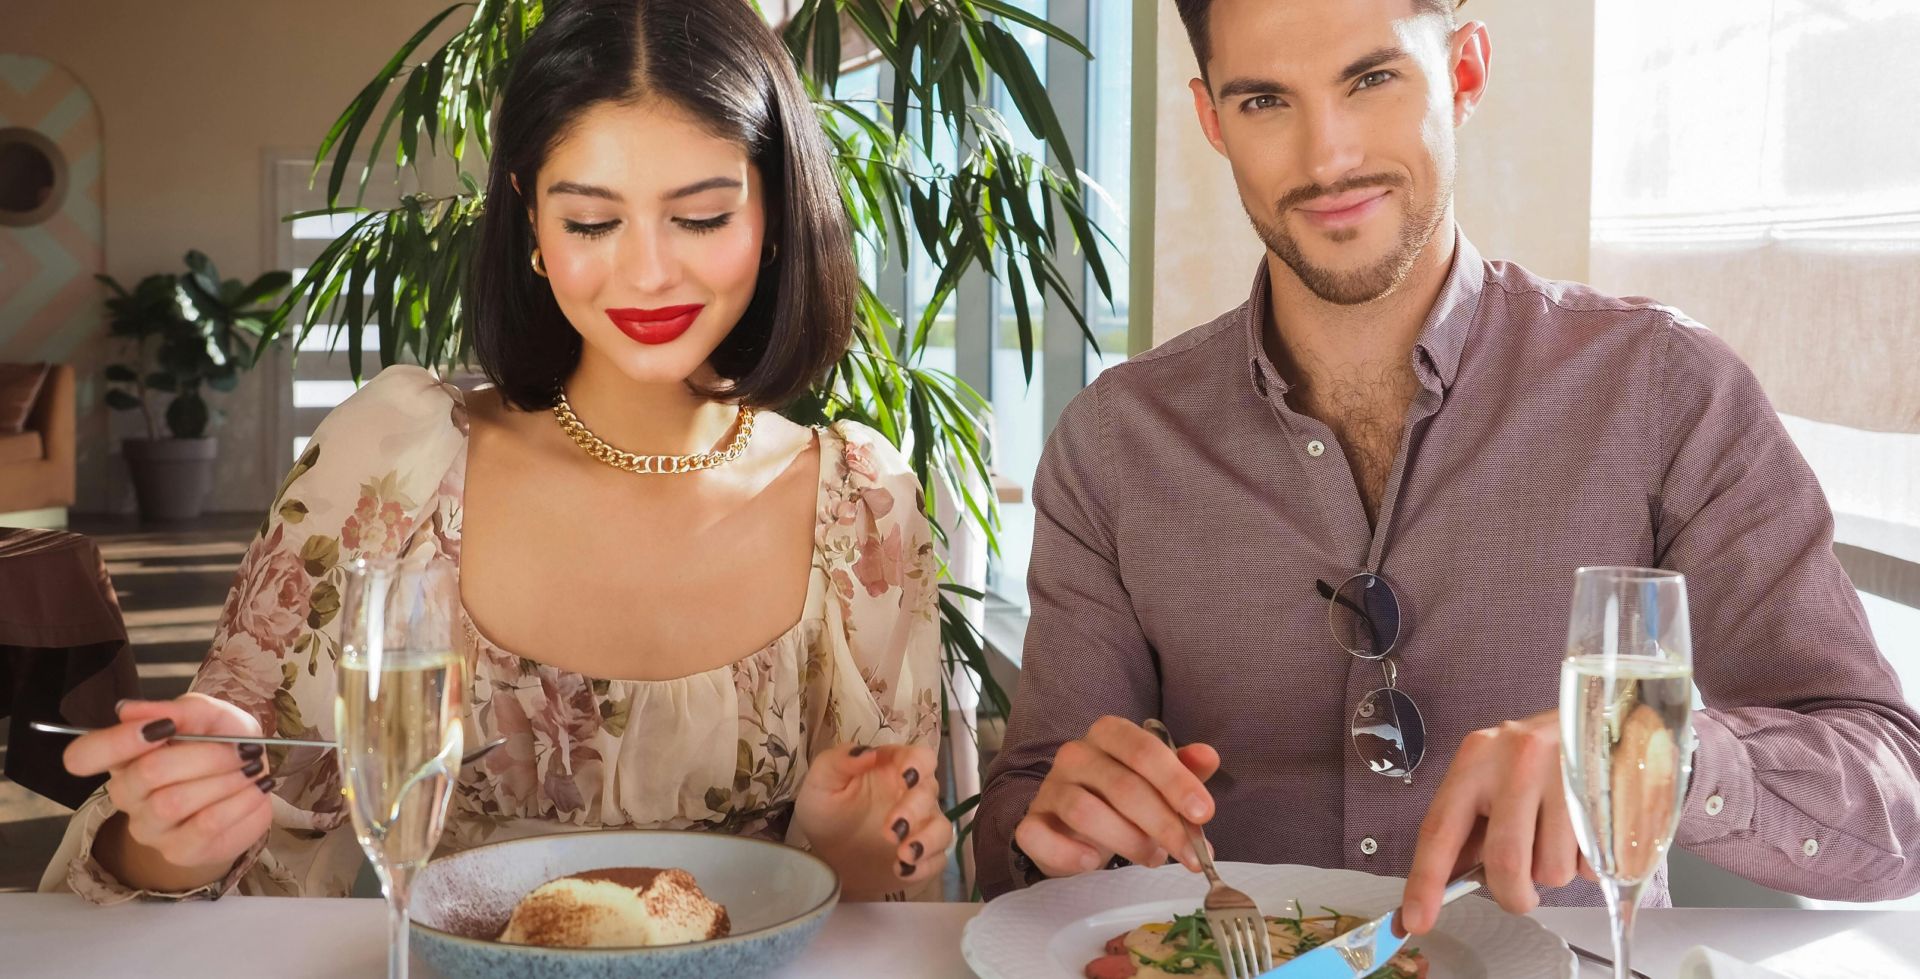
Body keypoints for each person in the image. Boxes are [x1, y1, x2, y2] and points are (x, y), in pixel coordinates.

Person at [975, 0, 1920, 933]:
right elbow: (1020, 838)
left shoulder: (1669, 390)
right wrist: (1054, 835)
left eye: (1373, 78)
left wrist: (1650, 748)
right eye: (1267, 101)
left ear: (1464, 71)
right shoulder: (1112, 442)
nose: (1327, 157)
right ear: (1212, 120)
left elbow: (1896, 796)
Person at [43, 0, 949, 904]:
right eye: (593, 222)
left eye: (703, 217)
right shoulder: (397, 461)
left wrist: (843, 850)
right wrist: (171, 835)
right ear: (531, 227)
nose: (648, 272)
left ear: (776, 214)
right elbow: (222, 840)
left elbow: (890, 912)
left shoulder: (861, 511)